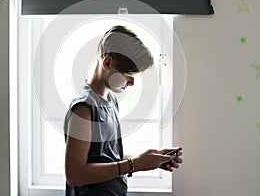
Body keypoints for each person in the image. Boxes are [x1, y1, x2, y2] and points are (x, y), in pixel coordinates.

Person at [64, 25, 183, 196]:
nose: (132, 83)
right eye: (128, 75)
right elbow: (75, 175)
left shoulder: (111, 101)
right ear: (107, 63)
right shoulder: (83, 109)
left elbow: (105, 157)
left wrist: (151, 159)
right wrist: (135, 164)